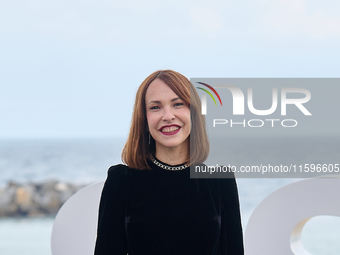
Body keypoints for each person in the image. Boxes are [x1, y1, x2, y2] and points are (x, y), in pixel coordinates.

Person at [94, 70, 244, 255]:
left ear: (194, 113)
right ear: (144, 119)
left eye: (178, 104)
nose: (168, 116)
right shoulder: (122, 181)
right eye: (155, 107)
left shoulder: (220, 181)